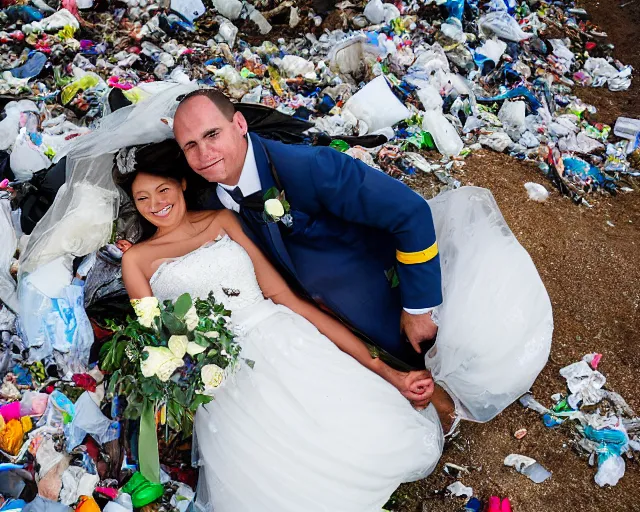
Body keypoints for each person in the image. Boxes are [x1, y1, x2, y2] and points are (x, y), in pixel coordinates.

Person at [117, 143, 445, 512]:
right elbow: (156, 335)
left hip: (281, 335)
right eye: (142, 198)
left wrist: (389, 373)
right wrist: (183, 363)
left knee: (362, 433)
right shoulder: (137, 259)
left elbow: (284, 297)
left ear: (181, 184)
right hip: (221, 371)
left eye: (163, 190)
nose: (156, 204)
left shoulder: (221, 221)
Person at [172, 88, 442, 376]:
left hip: (383, 314)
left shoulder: (312, 167)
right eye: (190, 145)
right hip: (308, 344)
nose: (204, 154)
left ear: (239, 124)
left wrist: (419, 309)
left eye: (212, 134)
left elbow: (410, 212)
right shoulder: (208, 205)